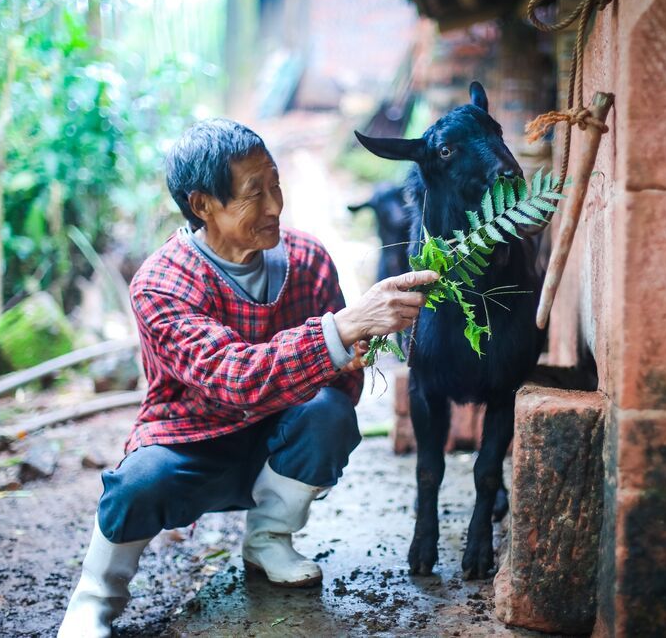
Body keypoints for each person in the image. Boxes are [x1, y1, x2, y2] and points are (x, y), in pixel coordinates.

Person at [57, 118, 437, 637]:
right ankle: (95, 598)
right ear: (202, 205)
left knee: (328, 414)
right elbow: (234, 376)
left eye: (276, 185)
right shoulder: (161, 283)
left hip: (280, 433)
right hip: (192, 440)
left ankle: (269, 539)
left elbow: (340, 378)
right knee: (137, 485)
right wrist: (341, 330)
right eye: (254, 193)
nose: (275, 206)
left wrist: (349, 355)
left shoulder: (307, 259)